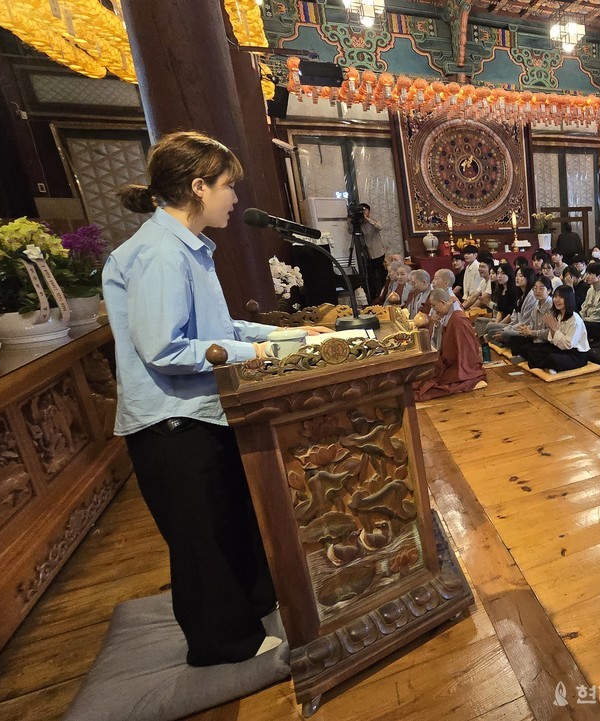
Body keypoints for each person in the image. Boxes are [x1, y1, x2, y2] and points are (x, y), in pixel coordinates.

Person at [105, 131, 331, 666]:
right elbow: (164, 348)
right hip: (170, 422)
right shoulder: (161, 253)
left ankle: (254, 610)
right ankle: (223, 644)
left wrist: (287, 338)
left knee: (228, 519)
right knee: (201, 540)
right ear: (198, 186)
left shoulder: (188, 248)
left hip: (199, 411)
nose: (235, 198)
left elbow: (219, 326)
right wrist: (258, 356)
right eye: (229, 186)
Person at [414, 289, 485, 402]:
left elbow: (460, 349)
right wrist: (436, 324)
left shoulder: (458, 320)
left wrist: (442, 360)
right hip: (449, 358)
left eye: (434, 306)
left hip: (461, 363)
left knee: (433, 381)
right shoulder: (448, 314)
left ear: (443, 302)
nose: (433, 309)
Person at [521, 285, 589, 372]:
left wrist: (554, 329)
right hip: (560, 348)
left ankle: (549, 366)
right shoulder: (559, 315)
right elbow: (552, 340)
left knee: (553, 358)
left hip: (576, 354)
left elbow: (567, 345)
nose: (556, 300)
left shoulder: (575, 320)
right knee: (533, 350)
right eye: (555, 296)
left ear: (568, 299)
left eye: (561, 297)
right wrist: (552, 329)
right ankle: (547, 365)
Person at [488, 274, 552, 348]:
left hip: (542, 341)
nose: (537, 291)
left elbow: (549, 332)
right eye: (535, 288)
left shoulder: (550, 306)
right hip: (531, 335)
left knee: (507, 336)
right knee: (493, 332)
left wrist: (530, 332)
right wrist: (524, 330)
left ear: (549, 291)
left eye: (541, 288)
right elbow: (531, 325)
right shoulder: (536, 304)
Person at [351, 202, 390, 299]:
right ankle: (372, 296)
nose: (363, 212)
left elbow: (379, 227)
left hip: (378, 253)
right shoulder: (359, 224)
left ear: (369, 211)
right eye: (361, 210)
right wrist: (350, 220)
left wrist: (368, 219)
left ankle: (384, 293)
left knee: (381, 274)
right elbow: (350, 231)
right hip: (366, 254)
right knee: (370, 277)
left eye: (365, 210)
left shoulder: (373, 221)